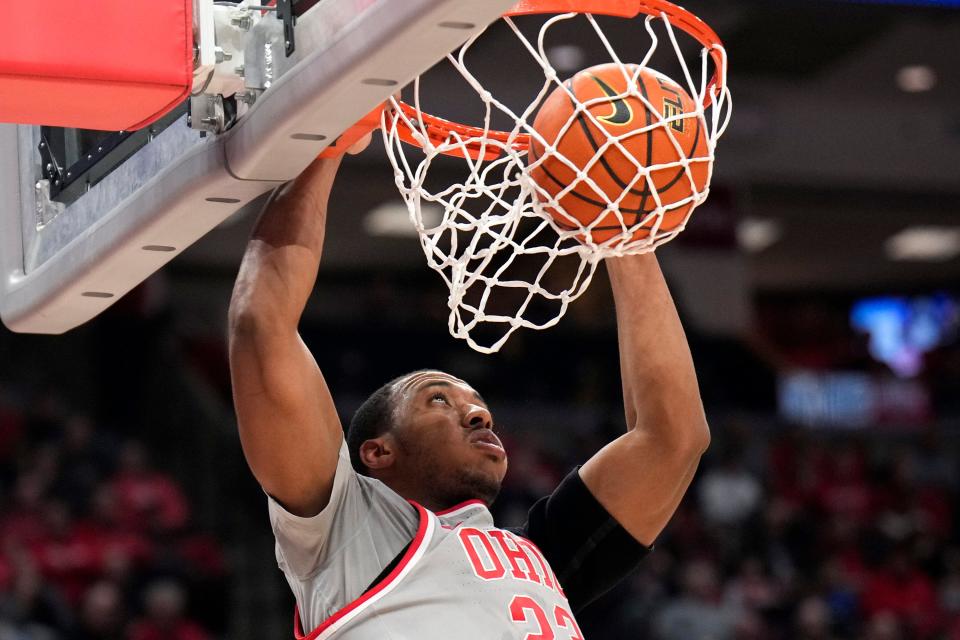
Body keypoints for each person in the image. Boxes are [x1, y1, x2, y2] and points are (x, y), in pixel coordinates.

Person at [227, 134, 710, 639]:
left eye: (479, 407)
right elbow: (263, 325)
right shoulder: (346, 528)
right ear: (376, 452)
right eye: (439, 399)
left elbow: (673, 439)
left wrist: (625, 237)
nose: (479, 416)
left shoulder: (539, 557)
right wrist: (328, 144)